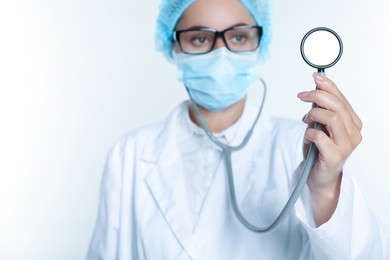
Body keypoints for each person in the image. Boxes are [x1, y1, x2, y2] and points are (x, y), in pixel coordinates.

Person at [87, 0, 389, 259]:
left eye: (239, 37)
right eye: (200, 39)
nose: (221, 53)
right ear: (173, 45)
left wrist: (324, 186)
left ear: (260, 42)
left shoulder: (304, 146)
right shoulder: (129, 155)